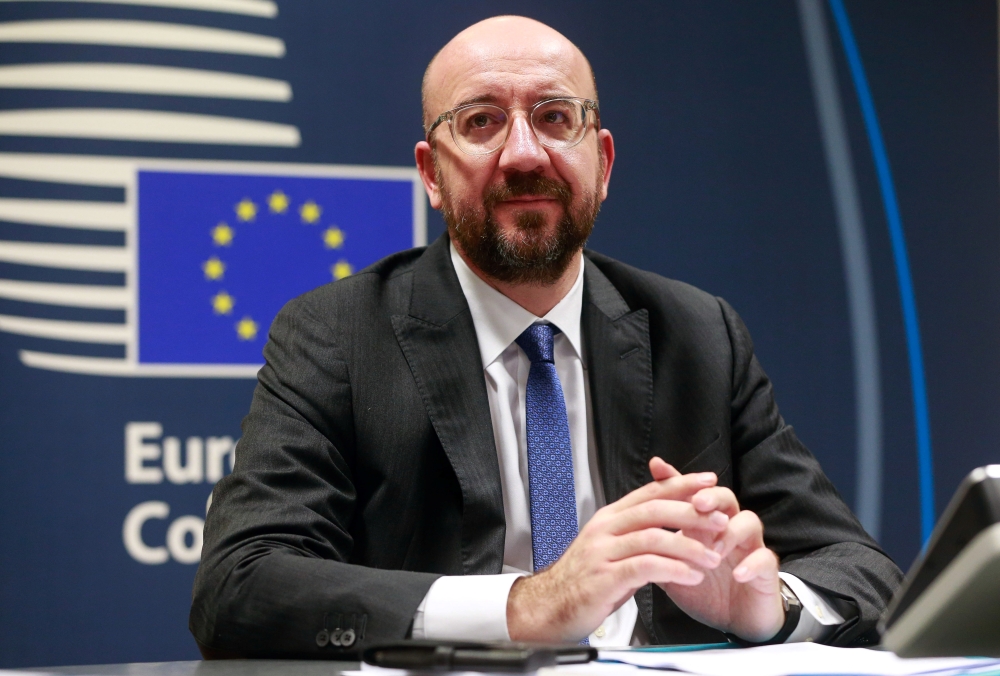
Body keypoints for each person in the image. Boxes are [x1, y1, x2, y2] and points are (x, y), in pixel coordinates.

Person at [190, 15, 902, 657]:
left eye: (556, 117)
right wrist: (528, 605)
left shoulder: (698, 333)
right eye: (480, 123)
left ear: (604, 161)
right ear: (431, 174)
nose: (524, 154)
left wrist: (764, 605)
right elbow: (241, 583)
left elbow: (864, 572)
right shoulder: (338, 334)